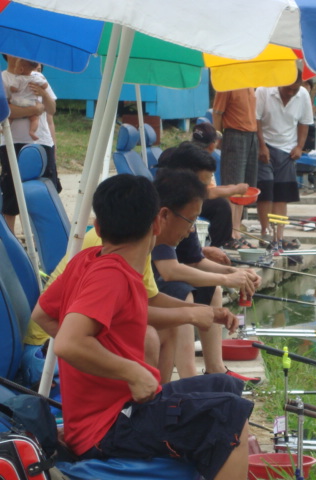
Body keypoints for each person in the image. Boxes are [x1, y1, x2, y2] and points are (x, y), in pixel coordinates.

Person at [31, 174, 253, 480]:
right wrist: (131, 372)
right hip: (108, 428)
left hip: (114, 414)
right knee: (229, 413)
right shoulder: (112, 276)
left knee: (223, 386)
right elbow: (69, 343)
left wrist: (98, 353)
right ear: (157, 223)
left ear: (98, 227)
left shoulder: (87, 259)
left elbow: (42, 315)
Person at [153, 143, 262, 380]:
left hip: (155, 284)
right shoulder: (163, 210)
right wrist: (227, 278)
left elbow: (194, 260)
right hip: (152, 285)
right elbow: (169, 270)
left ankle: (215, 369)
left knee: (211, 288)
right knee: (183, 294)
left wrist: (235, 272)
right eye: (202, 184)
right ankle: (189, 378)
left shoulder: (185, 209)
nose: (206, 191)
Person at [1, 54, 59, 233]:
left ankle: (40, 236)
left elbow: (51, 110)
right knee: (11, 191)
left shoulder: (38, 76)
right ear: (7, 55)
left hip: (41, 141)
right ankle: (10, 238)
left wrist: (43, 94)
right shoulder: (3, 78)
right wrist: (34, 109)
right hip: (12, 141)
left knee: (43, 190)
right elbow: (5, 111)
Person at [255, 71, 314, 247]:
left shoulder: (303, 95)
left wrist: (299, 146)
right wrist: (261, 146)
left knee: (282, 195)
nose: (290, 93)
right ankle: (265, 232)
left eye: (295, 89)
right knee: (266, 190)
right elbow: (256, 120)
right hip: (265, 146)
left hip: (288, 150)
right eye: (288, 88)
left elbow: (304, 123)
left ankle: (278, 236)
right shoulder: (263, 90)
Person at [190, 123, 254, 250]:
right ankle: (221, 243)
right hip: (189, 201)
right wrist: (234, 190)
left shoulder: (192, 154)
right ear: (212, 145)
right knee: (220, 205)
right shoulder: (200, 161)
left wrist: (230, 188)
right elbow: (208, 193)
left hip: (192, 197)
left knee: (223, 197)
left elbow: (210, 188)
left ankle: (231, 236)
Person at [212, 88, 259, 248]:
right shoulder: (227, 85)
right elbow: (217, 112)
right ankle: (229, 234)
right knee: (233, 184)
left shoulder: (250, 85)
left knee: (244, 188)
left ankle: (236, 231)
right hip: (234, 133)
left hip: (251, 135)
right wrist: (219, 137)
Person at [6, 59, 48, 141]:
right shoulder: (35, 78)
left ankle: (6, 128)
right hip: (30, 102)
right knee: (35, 118)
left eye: (16, 67)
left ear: (21, 69)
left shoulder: (18, 78)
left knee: (10, 117)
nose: (15, 69)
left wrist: (11, 88)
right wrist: (41, 86)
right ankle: (32, 131)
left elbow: (13, 89)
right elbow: (45, 85)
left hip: (17, 102)